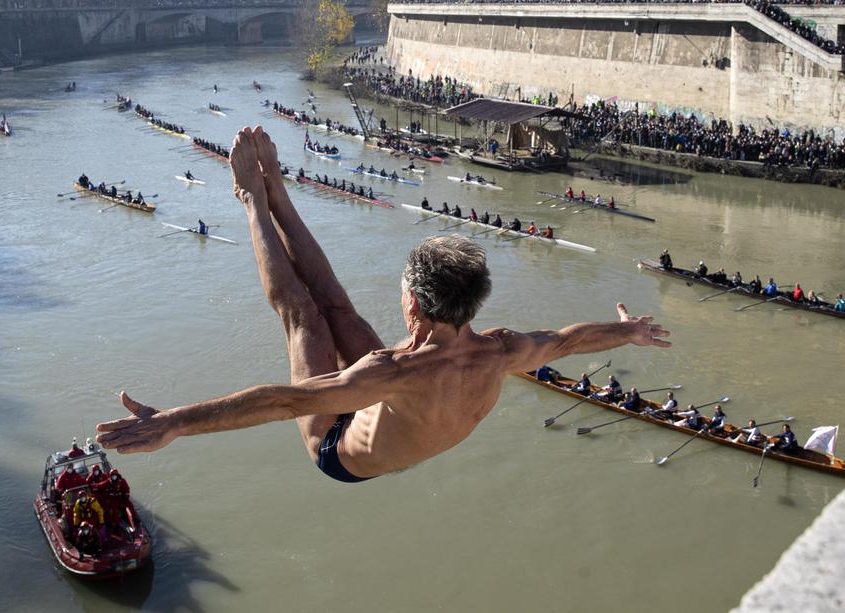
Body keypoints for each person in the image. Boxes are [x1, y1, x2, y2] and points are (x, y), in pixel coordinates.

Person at [95, 126, 671, 484]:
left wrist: (173, 423)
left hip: (338, 451)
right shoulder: (503, 348)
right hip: (393, 411)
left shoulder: (390, 371)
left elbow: (278, 402)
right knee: (339, 310)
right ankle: (281, 196)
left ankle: (252, 200)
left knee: (304, 314)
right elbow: (570, 340)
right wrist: (629, 332)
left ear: (414, 307)